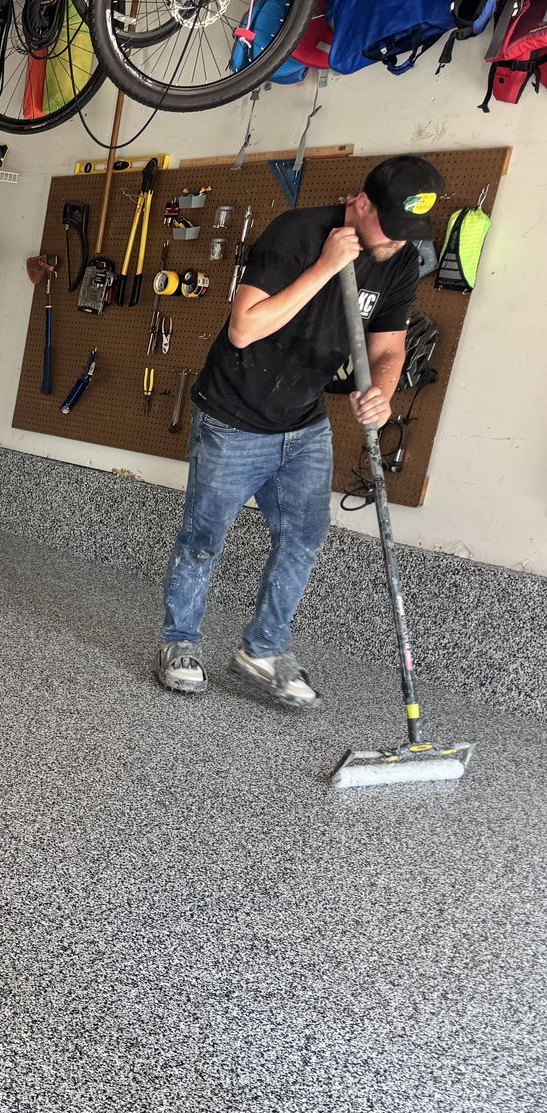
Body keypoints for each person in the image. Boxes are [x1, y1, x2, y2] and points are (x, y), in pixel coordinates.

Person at [156, 155, 444, 707]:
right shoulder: (296, 234)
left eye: (409, 232)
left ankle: (262, 648)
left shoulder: (398, 258)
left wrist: (381, 390)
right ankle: (179, 642)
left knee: (304, 538)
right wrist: (326, 268)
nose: (396, 241)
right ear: (360, 204)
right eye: (389, 225)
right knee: (203, 539)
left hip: (304, 423)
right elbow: (244, 329)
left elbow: (387, 347)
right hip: (234, 415)